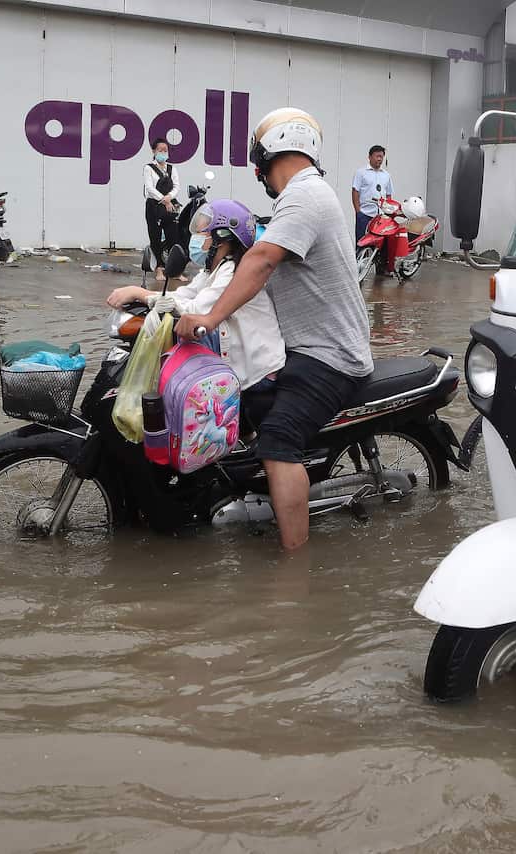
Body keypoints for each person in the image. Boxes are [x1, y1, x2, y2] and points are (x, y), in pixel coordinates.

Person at [177, 108, 373, 551]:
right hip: (302, 349)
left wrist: (209, 319)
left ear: (269, 154)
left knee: (278, 441)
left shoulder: (307, 197)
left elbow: (261, 259)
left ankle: (293, 567)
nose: (258, 173)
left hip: (331, 356)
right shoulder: (299, 200)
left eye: (257, 163)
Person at [106, 199, 284, 404]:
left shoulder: (234, 271)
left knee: (184, 340)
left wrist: (139, 293)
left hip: (256, 373)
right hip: (237, 358)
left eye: (203, 234)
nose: (197, 240)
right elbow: (184, 295)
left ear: (222, 238)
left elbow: (194, 310)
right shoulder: (211, 271)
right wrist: (145, 296)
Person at [143, 138, 187, 284]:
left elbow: (176, 186)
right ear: (154, 151)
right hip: (154, 206)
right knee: (155, 237)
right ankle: (159, 269)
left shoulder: (172, 169)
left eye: (165, 150)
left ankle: (175, 270)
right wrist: (164, 199)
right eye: (160, 150)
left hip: (170, 205)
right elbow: (149, 188)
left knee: (173, 237)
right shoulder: (148, 168)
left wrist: (169, 197)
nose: (163, 153)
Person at [352, 144, 394, 275]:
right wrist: (358, 211)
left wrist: (388, 211)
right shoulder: (361, 173)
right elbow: (355, 191)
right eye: (377, 156)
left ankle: (381, 269)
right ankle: (357, 270)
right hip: (365, 214)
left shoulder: (386, 175)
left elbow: (389, 194)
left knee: (383, 243)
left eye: (381, 156)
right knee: (362, 241)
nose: (379, 159)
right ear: (369, 157)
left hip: (381, 216)